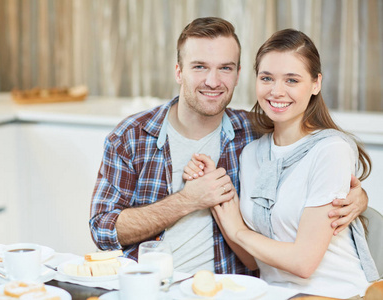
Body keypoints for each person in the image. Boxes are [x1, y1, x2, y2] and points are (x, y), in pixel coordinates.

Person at [89, 17, 368, 276]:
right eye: (200, 67)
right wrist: (188, 199)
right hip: (150, 285)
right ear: (179, 71)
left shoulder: (254, 133)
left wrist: (358, 198)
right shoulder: (131, 136)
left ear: (238, 74)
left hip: (231, 288)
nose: (213, 81)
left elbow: (309, 155)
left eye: (225, 68)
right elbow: (103, 230)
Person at [184, 29, 378, 297]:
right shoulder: (251, 154)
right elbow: (254, 260)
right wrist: (215, 193)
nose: (277, 91)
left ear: (315, 83)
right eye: (267, 78)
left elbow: (303, 262)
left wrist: (239, 231)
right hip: (274, 293)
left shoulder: (330, 149)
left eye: (292, 80)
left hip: (334, 293)